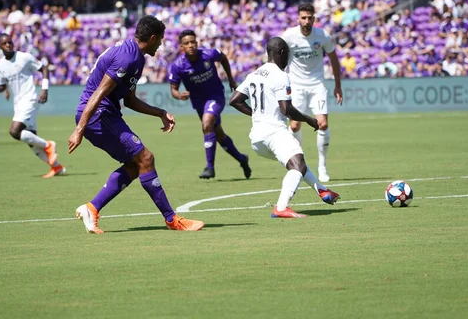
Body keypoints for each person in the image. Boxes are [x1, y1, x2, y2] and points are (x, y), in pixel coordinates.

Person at [68, 16, 204, 233]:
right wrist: (79, 129)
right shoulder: (127, 58)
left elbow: (129, 100)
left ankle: (91, 208)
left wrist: (160, 112)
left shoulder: (136, 56)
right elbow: (98, 92)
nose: (160, 45)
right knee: (146, 158)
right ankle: (172, 220)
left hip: (106, 114)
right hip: (98, 116)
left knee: (135, 166)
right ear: (151, 38)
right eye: (159, 40)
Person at [229, 37, 340, 218]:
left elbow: (234, 100)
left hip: (257, 139)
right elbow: (286, 109)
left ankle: (322, 190)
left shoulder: (254, 74)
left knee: (296, 161)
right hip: (274, 133)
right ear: (282, 53)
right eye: (287, 53)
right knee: (297, 164)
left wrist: (257, 114)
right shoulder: (281, 76)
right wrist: (309, 119)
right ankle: (281, 208)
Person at [168, 29, 251, 179]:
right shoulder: (178, 66)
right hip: (198, 102)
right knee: (218, 135)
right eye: (186, 43)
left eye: (193, 42)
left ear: (197, 42)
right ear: (182, 47)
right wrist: (180, 95)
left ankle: (210, 168)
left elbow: (224, 58)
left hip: (216, 96)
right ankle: (241, 159)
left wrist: (231, 79)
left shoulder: (209, 54)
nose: (191, 45)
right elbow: (173, 89)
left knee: (207, 125)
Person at [0, 34, 65, 178]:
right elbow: (2, 86)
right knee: (31, 140)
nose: (8, 45)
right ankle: (56, 167)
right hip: (18, 103)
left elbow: (44, 68)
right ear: (0, 47)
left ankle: (49, 145)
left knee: (14, 131)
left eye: (10, 42)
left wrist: (44, 89)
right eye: (5, 43)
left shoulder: (24, 57)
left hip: (30, 98)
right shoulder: (0, 65)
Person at [281, 3, 343, 183]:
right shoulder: (289, 36)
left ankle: (322, 166)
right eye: (303, 18)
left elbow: (334, 59)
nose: (306, 21)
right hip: (296, 87)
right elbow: (280, 60)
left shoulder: (323, 36)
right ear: (298, 19)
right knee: (294, 127)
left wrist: (338, 85)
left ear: (314, 19)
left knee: (322, 124)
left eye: (309, 18)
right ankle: (299, 163)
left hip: (317, 85)